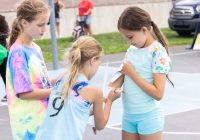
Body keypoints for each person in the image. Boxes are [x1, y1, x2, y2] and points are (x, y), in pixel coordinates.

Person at [35, 36, 121, 140]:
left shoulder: (61, 80)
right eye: (99, 64)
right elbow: (100, 125)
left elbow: (70, 111)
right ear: (92, 60)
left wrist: (93, 111)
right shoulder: (94, 92)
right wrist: (110, 100)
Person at [109, 6, 174, 140]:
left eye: (130, 37)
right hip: (128, 115)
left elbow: (158, 93)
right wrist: (110, 89)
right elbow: (122, 73)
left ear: (144, 30)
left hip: (148, 116)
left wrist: (132, 74)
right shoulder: (132, 50)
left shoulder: (157, 53)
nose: (128, 41)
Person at [6, 0, 66, 139]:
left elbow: (39, 84)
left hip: (43, 120)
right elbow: (24, 93)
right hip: (29, 126)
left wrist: (57, 80)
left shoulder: (35, 48)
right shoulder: (18, 53)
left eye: (46, 23)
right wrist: (57, 92)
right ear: (24, 23)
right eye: (40, 24)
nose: (44, 28)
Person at [0, 14, 9, 102]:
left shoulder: (1, 19)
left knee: (5, 74)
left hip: (2, 52)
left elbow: (6, 33)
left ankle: (9, 93)